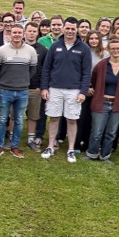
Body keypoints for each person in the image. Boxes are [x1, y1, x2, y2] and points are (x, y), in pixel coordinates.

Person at [40, 17, 92, 163]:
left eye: (73, 29)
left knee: (71, 119)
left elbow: (86, 72)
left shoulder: (84, 48)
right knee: (54, 117)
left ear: (77, 30)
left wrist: (83, 91)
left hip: (74, 90)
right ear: (63, 28)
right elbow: (46, 68)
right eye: (67, 28)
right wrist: (44, 87)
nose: (70, 31)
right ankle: (50, 146)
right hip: (54, 88)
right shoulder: (55, 46)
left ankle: (70, 149)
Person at [85, 38, 119, 162]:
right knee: (97, 132)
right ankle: (92, 153)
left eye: (118, 48)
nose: (115, 50)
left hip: (118, 104)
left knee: (111, 133)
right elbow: (94, 80)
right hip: (101, 102)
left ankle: (105, 155)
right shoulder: (102, 65)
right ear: (108, 50)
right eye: (112, 48)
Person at [0, 22, 37, 158]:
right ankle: (0, 146)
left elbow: (33, 69)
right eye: (14, 32)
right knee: (2, 119)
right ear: (10, 34)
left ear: (23, 34)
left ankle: (14, 146)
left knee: (18, 120)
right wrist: (6, 80)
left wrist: (23, 80)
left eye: (19, 32)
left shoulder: (30, 51)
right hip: (5, 90)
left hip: (23, 91)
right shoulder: (1, 50)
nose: (16, 35)